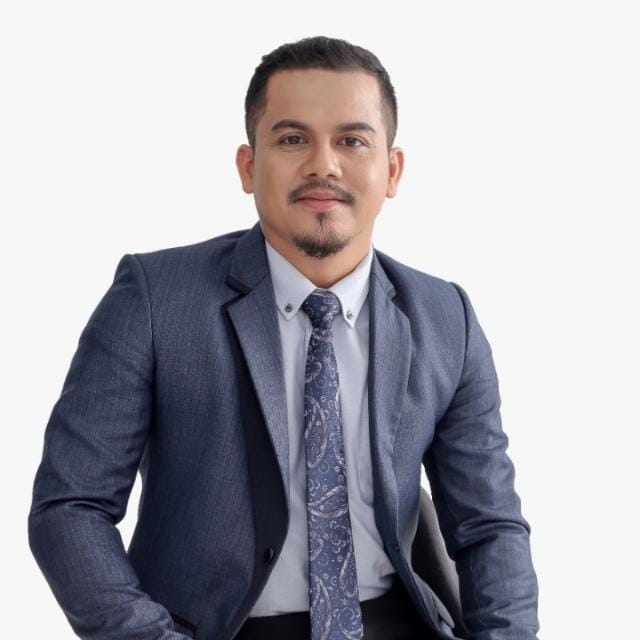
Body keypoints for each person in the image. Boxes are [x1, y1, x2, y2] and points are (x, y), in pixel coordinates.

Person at [28, 35, 539, 640]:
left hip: (395, 620)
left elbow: (488, 525)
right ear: (248, 167)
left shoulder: (445, 316)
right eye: (293, 139)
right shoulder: (154, 299)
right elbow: (71, 507)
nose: (324, 164)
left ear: (392, 171)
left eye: (352, 140)